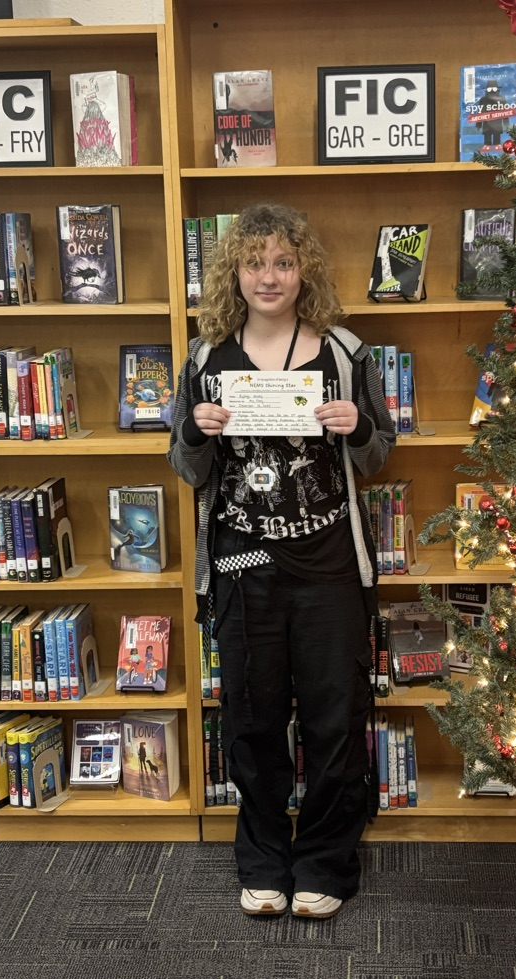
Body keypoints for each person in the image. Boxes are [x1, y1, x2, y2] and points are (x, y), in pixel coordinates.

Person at [168, 203, 395, 920]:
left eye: (284, 263)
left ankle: (326, 861)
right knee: (253, 719)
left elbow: (379, 456)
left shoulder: (345, 353)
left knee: (334, 717)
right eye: (255, 262)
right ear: (235, 271)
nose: (269, 276)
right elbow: (185, 466)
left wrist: (357, 428)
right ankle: (263, 859)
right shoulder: (207, 358)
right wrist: (199, 435)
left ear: (305, 273)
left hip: (328, 563)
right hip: (243, 566)